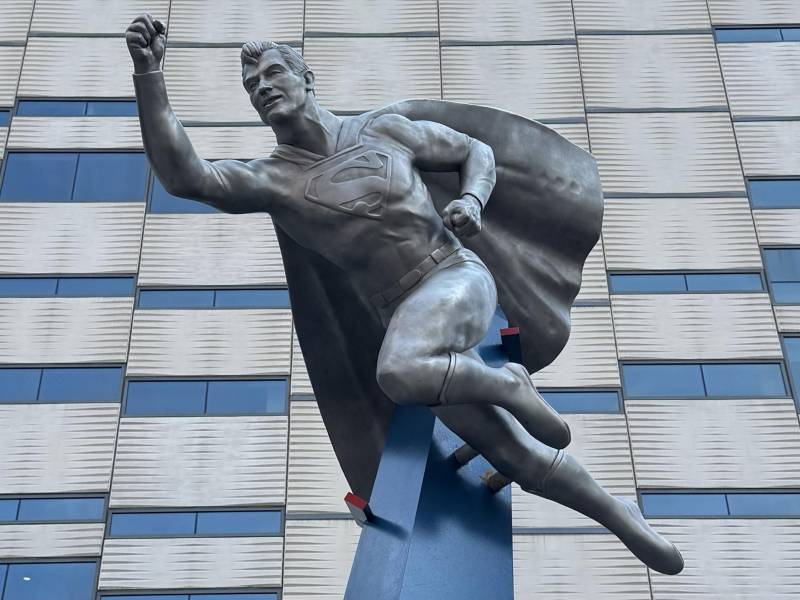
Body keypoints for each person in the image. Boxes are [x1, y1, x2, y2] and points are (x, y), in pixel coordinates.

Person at [126, 13, 683, 575]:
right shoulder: (272, 179)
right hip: (404, 317)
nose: (263, 88)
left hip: (455, 277)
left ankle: (508, 382)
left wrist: (473, 201)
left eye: (273, 74)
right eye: (252, 87)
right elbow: (186, 176)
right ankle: (619, 514)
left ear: (305, 77)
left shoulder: (383, 129)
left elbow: (475, 152)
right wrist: (149, 76)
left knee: (397, 370)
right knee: (512, 453)